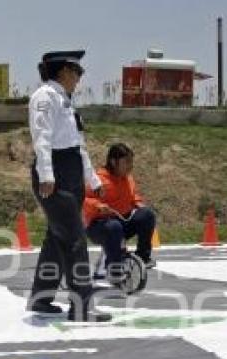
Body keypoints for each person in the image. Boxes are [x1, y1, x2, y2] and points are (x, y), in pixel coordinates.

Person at [27, 50, 110, 323]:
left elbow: (78, 147)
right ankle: (81, 305)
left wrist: (93, 180)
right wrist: (47, 175)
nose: (79, 78)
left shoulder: (66, 101)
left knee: (56, 238)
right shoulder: (44, 97)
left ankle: (41, 298)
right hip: (55, 173)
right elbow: (42, 138)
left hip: (71, 171)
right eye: (77, 72)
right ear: (63, 71)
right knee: (75, 240)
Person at [84, 143, 157, 282]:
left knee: (147, 215)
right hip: (99, 226)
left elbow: (133, 196)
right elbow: (83, 199)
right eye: (127, 162)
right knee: (113, 227)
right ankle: (114, 270)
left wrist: (139, 204)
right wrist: (98, 205)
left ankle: (142, 258)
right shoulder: (98, 180)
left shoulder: (127, 178)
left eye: (131, 162)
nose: (130, 166)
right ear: (113, 161)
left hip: (122, 221)